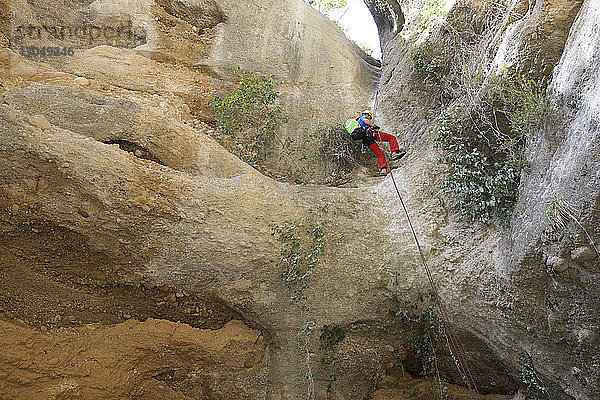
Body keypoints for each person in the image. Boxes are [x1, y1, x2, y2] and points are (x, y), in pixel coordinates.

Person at [350, 110, 405, 176]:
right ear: (367, 114)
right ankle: (394, 153)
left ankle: (383, 170)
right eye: (369, 117)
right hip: (372, 135)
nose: (369, 118)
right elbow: (366, 120)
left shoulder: (359, 123)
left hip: (367, 141)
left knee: (380, 154)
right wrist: (373, 125)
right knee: (391, 138)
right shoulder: (363, 117)